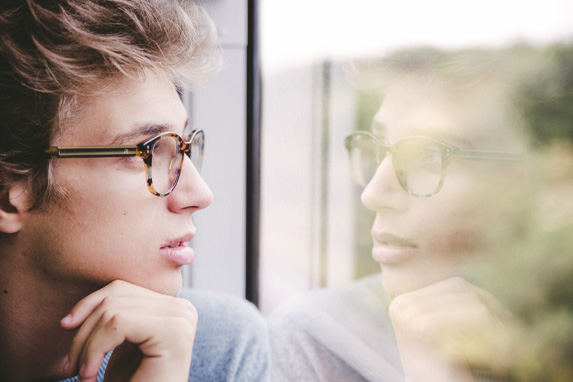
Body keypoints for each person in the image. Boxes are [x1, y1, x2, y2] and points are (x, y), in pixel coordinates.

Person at [0, 1, 270, 381]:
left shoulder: (219, 349)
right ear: (8, 191)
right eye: (149, 150)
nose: (200, 193)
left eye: (183, 148)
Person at [268, 44, 572, 381]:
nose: (372, 194)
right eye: (379, 148)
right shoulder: (318, 342)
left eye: (429, 156)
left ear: (533, 177)